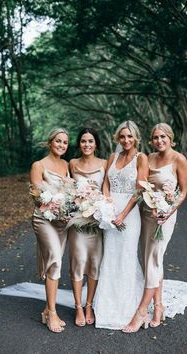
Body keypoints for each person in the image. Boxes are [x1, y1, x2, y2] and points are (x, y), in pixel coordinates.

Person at [122, 122, 187, 333]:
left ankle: (142, 311)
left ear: (170, 138)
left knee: (153, 258)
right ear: (151, 140)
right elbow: (141, 187)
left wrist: (168, 210)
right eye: (156, 138)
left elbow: (183, 192)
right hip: (145, 214)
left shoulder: (179, 160)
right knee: (150, 259)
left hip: (165, 216)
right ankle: (158, 306)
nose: (159, 141)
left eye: (163, 137)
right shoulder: (148, 158)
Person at [94, 120, 149, 330]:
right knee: (111, 256)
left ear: (136, 138)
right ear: (118, 138)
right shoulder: (112, 157)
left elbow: (139, 190)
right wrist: (107, 204)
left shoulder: (141, 158)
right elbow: (106, 182)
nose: (126, 140)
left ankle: (128, 309)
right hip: (110, 213)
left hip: (129, 214)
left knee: (126, 256)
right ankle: (106, 307)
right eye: (122, 136)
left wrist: (123, 214)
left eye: (130, 136)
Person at [30, 128, 69, 333]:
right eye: (58, 141)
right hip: (44, 220)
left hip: (62, 223)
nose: (61, 145)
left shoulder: (66, 165)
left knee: (56, 263)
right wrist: (57, 203)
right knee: (55, 258)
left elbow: (71, 192)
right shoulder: (39, 165)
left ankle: (47, 310)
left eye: (65, 142)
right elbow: (37, 197)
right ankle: (53, 313)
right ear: (50, 142)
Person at [68, 128, 107, 327]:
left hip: (96, 223)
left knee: (94, 264)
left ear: (96, 144)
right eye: (83, 141)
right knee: (78, 263)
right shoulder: (72, 164)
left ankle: (89, 304)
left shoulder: (104, 164)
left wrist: (102, 206)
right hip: (77, 222)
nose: (87, 145)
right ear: (79, 144)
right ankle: (78, 307)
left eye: (90, 141)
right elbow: (68, 190)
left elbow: (107, 192)